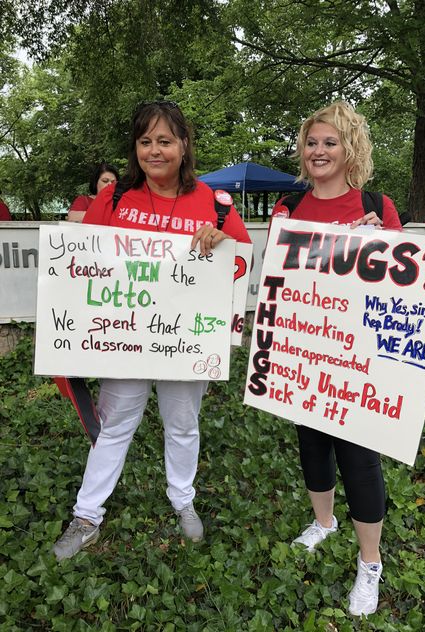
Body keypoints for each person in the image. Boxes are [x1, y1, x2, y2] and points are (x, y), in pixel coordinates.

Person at [53, 101, 251, 560]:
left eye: (165, 141)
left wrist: (224, 243)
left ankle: (183, 500)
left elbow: (241, 262)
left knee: (182, 425)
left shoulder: (214, 203)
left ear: (184, 145)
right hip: (125, 337)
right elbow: (80, 261)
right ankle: (87, 515)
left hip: (184, 342)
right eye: (145, 142)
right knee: (115, 425)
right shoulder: (116, 197)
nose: (155, 151)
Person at [271, 101, 402, 617]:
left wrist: (384, 244)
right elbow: (277, 279)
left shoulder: (377, 204)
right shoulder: (287, 207)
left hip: (359, 355)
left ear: (350, 148)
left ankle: (370, 562)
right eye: (311, 142)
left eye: (330, 142)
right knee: (311, 441)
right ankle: (323, 522)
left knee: (359, 456)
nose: (318, 151)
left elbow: (403, 289)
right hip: (305, 348)